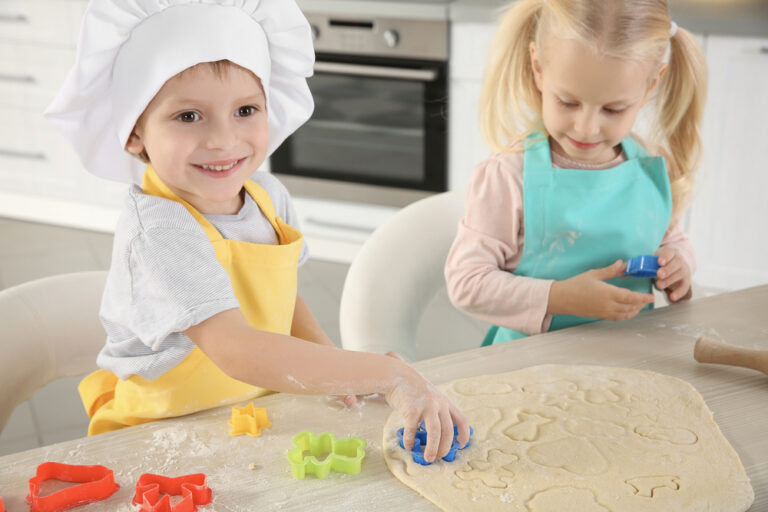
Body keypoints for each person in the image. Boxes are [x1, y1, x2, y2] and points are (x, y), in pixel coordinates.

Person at [45, 0, 468, 461]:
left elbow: (285, 302)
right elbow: (237, 350)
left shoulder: (266, 194)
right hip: (159, 436)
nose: (223, 140)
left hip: (248, 413)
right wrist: (386, 374)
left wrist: (341, 375)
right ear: (133, 133)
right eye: (188, 116)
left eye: (246, 110)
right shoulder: (159, 230)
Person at [445, 0, 707, 345]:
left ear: (650, 85)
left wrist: (679, 264)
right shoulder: (509, 176)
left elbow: (670, 240)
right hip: (528, 368)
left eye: (613, 109)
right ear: (538, 68)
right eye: (568, 102)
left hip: (626, 358)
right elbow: (467, 282)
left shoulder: (649, 168)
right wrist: (559, 297)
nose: (586, 127)